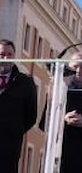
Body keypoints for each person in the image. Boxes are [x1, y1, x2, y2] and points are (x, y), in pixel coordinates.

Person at [0, 39, 37, 173]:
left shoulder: (25, 83)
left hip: (9, 150)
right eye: (2, 54)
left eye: (9, 54)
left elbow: (31, 116)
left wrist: (14, 131)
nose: (5, 58)